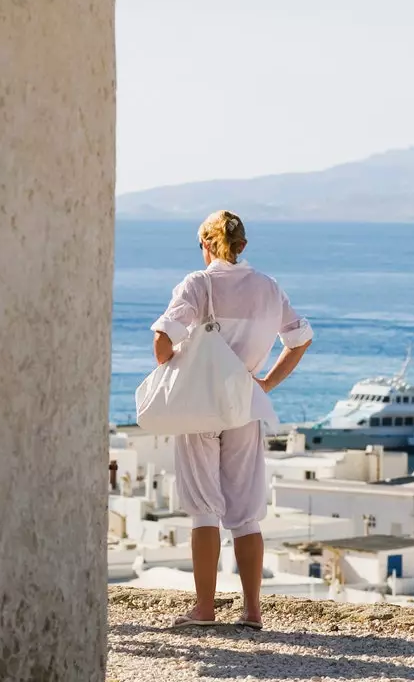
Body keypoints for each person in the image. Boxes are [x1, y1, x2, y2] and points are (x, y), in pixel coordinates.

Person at [150, 210, 313, 629]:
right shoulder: (268, 288)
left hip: (200, 404)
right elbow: (300, 339)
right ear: (242, 247)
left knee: (205, 509)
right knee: (244, 513)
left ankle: (204, 609)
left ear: (206, 244)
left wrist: (173, 364)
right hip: (244, 403)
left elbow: (162, 343)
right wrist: (266, 384)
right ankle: (252, 611)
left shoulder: (197, 284)